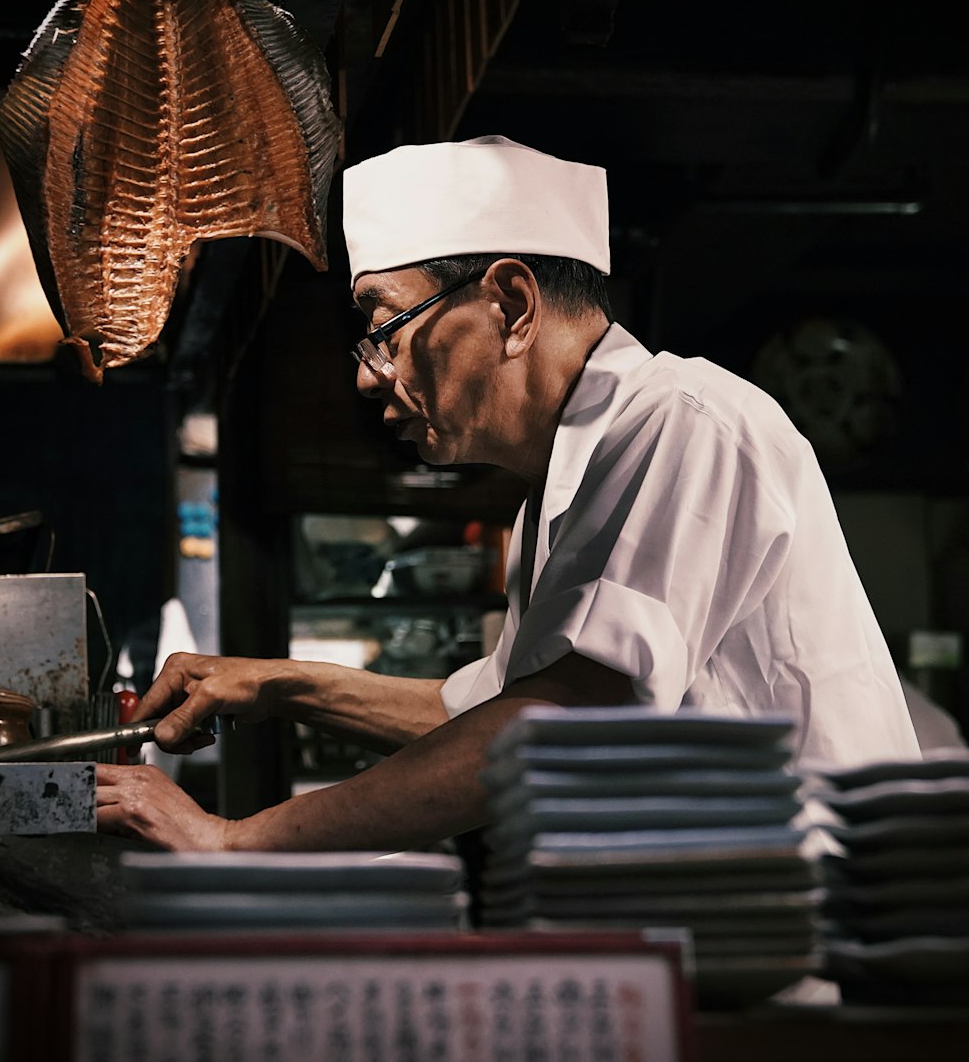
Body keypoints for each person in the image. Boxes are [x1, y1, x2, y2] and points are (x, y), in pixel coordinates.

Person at [96, 135, 921, 851]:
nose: (365, 374)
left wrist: (231, 839)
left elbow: (556, 723)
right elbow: (492, 706)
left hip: (813, 943)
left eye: (384, 325)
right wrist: (276, 685)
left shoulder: (683, 421)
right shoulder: (554, 498)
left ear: (512, 304)